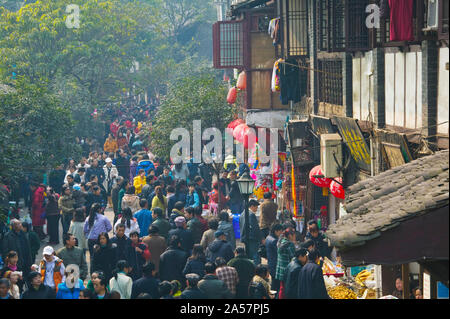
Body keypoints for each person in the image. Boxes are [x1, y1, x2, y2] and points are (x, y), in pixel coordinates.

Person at [240, 199, 264, 265]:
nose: (256, 209)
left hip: (245, 238)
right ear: (252, 206)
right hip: (252, 239)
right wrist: (261, 238)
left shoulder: (242, 214)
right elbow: (255, 228)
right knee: (255, 255)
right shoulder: (251, 215)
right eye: (256, 207)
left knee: (249, 255)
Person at [275, 227, 296, 299]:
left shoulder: (281, 241)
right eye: (294, 235)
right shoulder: (290, 244)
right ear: (290, 235)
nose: (295, 237)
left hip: (280, 269)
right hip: (287, 270)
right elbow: (293, 257)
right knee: (285, 289)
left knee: (282, 287)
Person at [266, 223, 284, 292]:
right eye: (280, 231)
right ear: (276, 231)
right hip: (275, 264)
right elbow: (279, 251)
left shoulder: (268, 237)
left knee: (274, 283)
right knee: (276, 285)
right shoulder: (274, 241)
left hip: (271, 263)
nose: (281, 233)